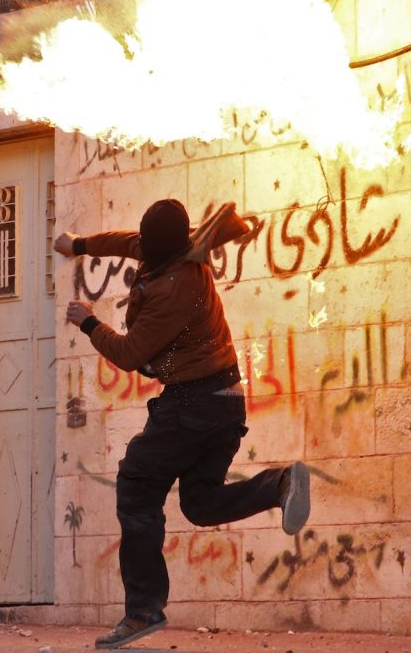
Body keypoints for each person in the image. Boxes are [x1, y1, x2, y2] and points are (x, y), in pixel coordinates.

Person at [55, 199, 310, 650]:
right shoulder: (175, 251)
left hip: (193, 405)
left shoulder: (173, 289)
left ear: (160, 248)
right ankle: (279, 485)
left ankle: (142, 611)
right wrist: (79, 245)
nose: (139, 248)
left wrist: (88, 322)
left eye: (145, 244)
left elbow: (130, 354)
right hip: (227, 402)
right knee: (200, 502)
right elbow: (124, 242)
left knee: (136, 482)